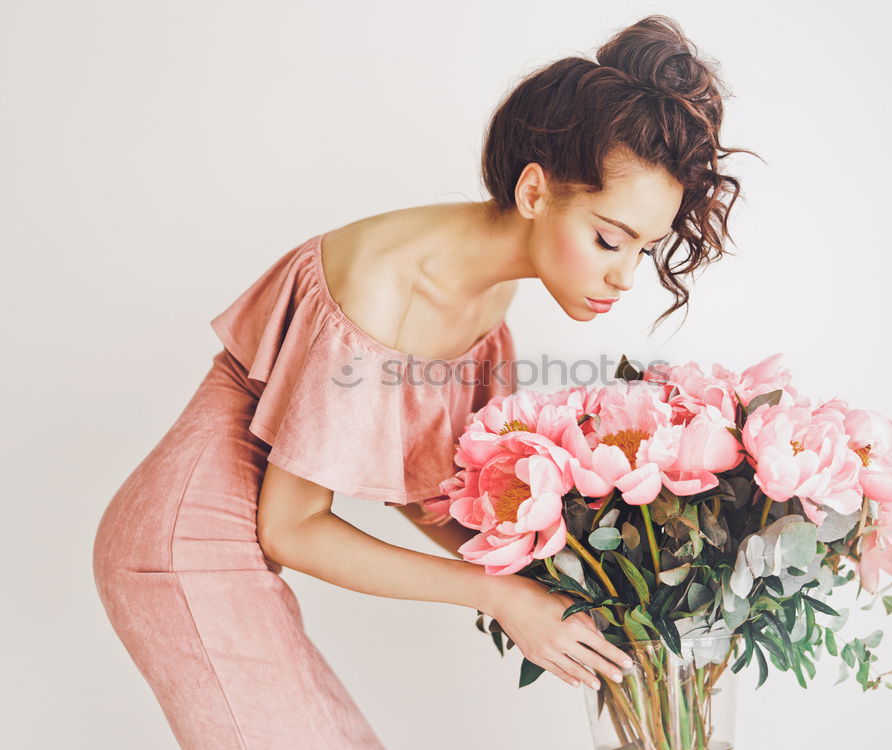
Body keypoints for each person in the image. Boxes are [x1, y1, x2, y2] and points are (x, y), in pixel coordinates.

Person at [92, 14, 750, 749]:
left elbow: (423, 484)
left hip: (236, 545)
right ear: (535, 191)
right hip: (184, 550)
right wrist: (501, 596)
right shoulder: (387, 288)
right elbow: (292, 526)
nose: (624, 276)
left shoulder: (490, 287)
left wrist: (587, 582)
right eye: (607, 238)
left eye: (645, 248)